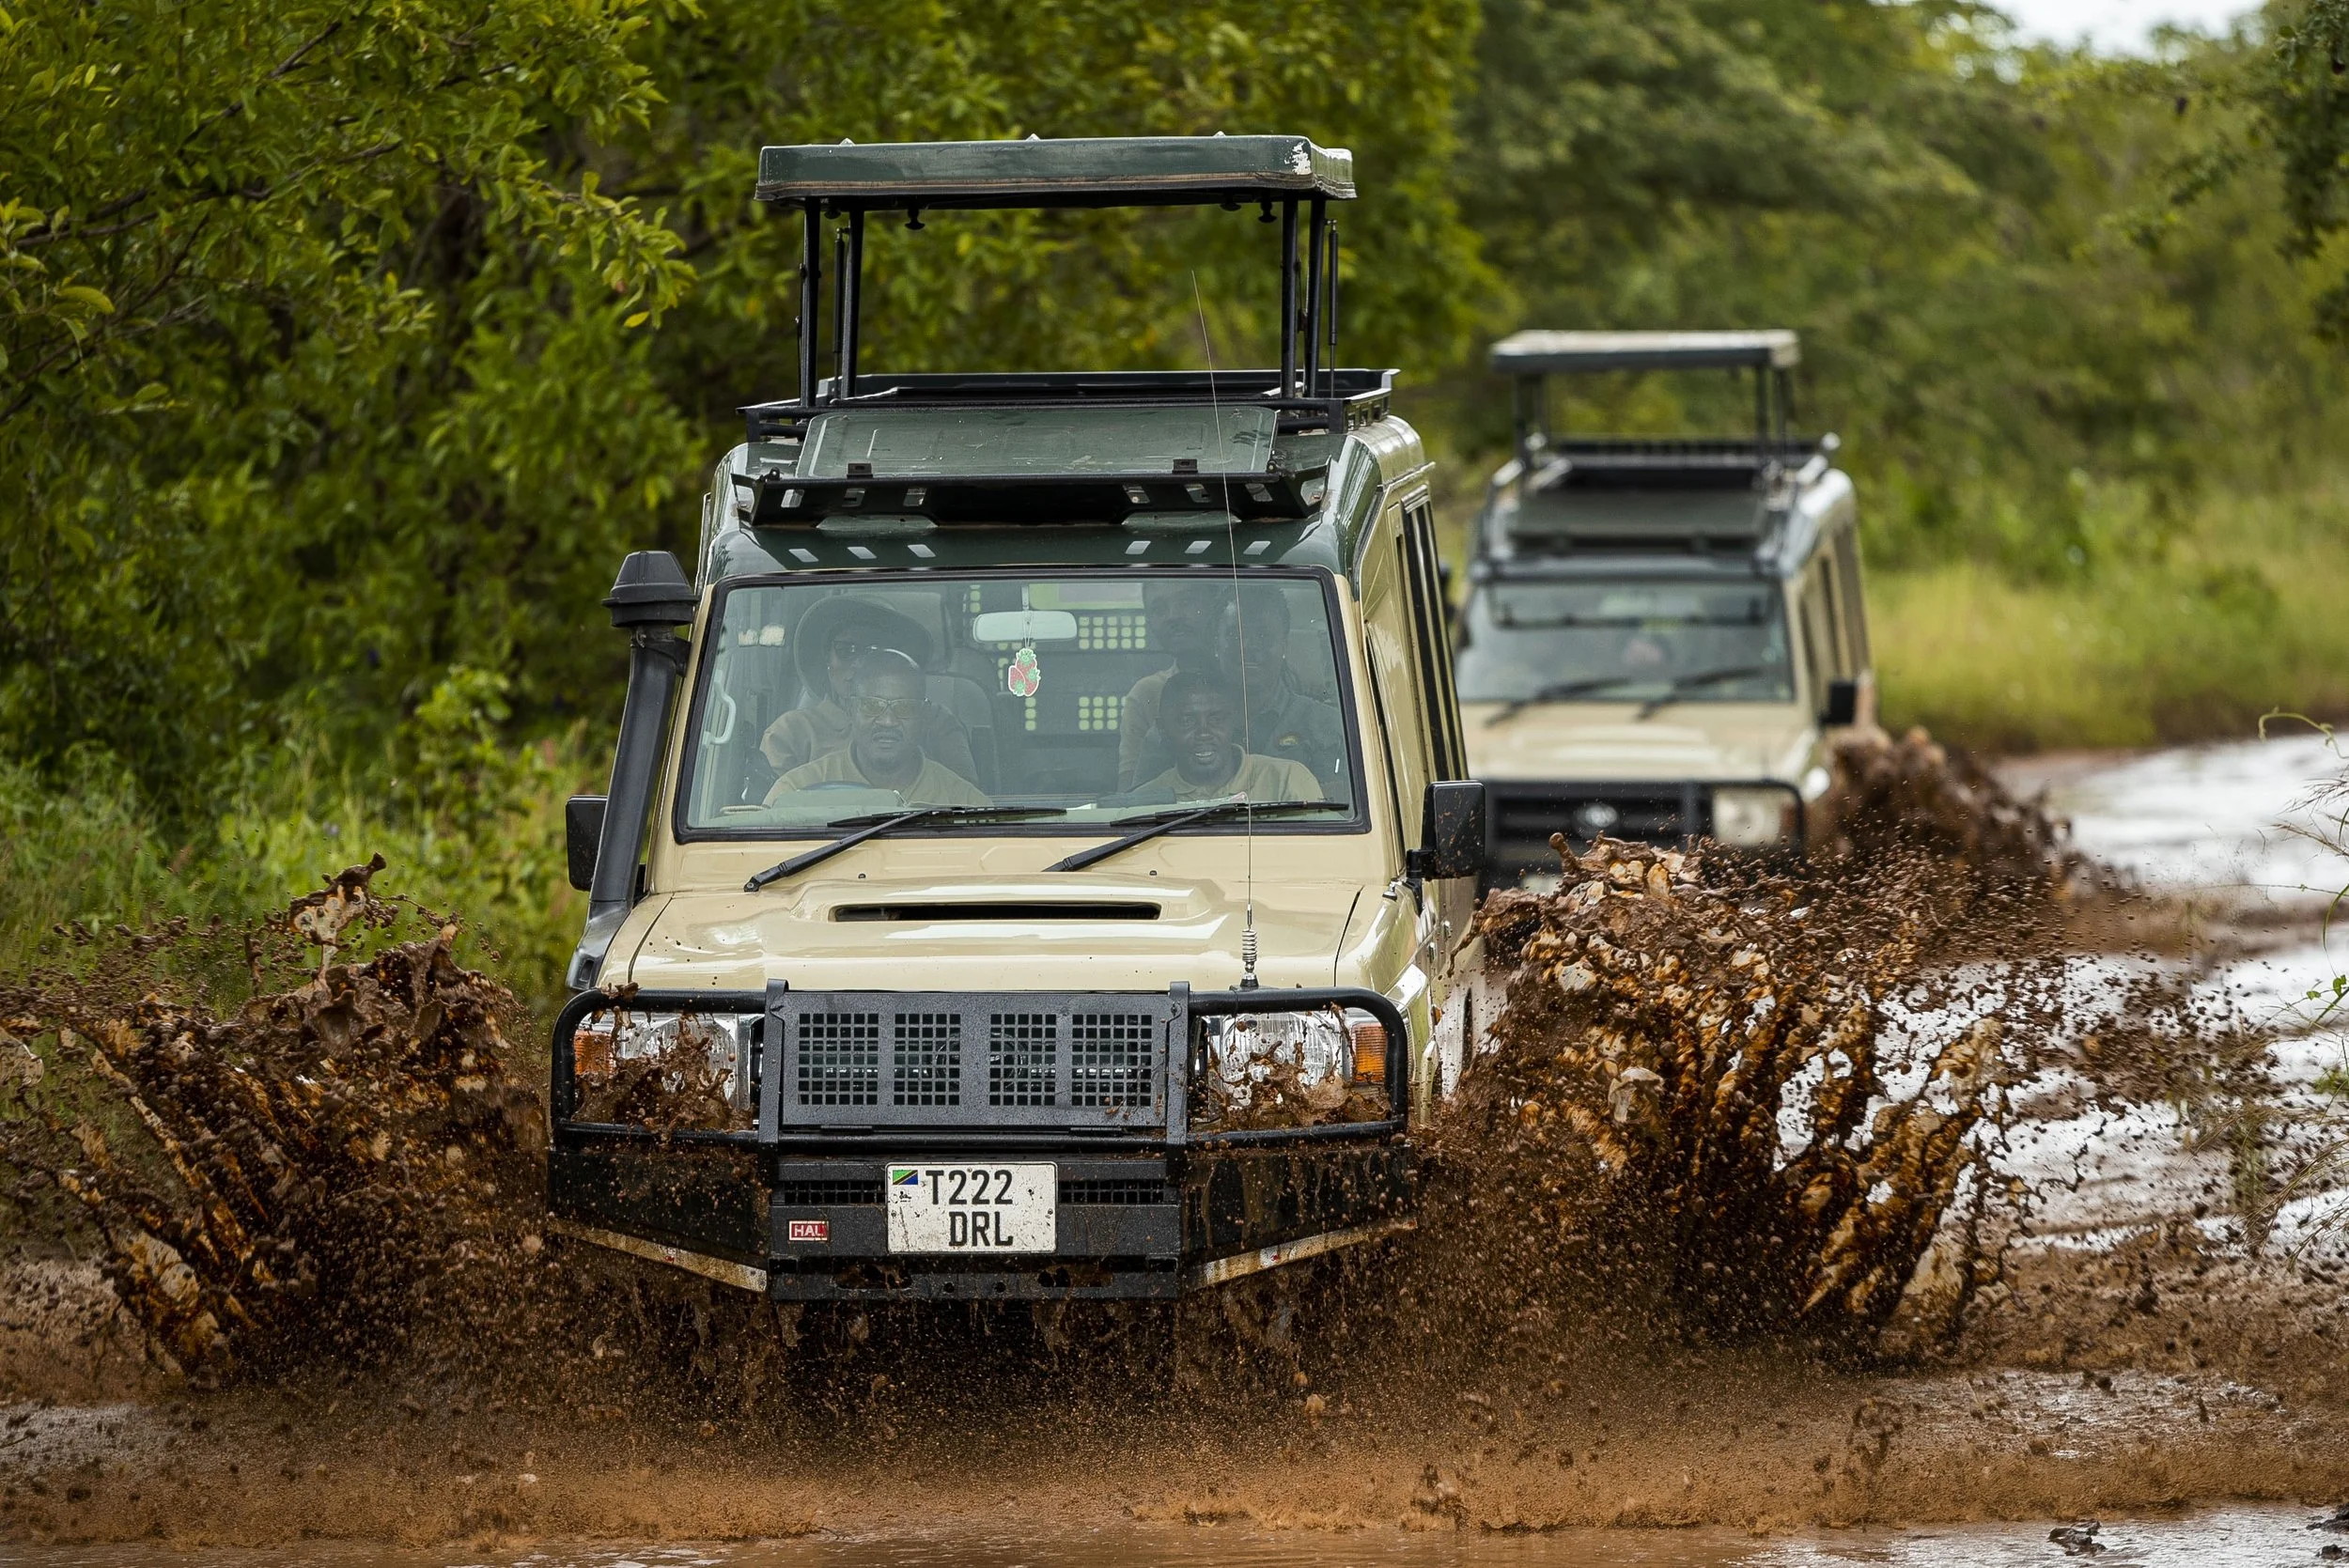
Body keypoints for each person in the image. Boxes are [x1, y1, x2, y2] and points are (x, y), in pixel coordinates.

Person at [760, 595, 977, 784]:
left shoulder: (935, 723)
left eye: (875, 652)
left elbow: (963, 806)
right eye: (847, 650)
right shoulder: (790, 733)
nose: (859, 663)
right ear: (828, 659)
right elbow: (774, 821)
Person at [767, 651, 993, 808]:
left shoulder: (964, 802)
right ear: (850, 709)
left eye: (904, 707)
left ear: (922, 716)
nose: (887, 721)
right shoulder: (795, 791)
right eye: (872, 705)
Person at [1132, 669, 1321, 805]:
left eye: (1216, 719)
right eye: (1187, 721)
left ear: (1234, 723)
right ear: (1163, 729)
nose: (1204, 732)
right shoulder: (1145, 801)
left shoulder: (1286, 780)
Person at [1115, 577, 1226, 791]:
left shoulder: (1248, 683)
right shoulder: (1146, 695)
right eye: (1159, 609)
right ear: (1149, 623)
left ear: (1214, 606)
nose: (1173, 616)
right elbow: (1129, 803)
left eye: (1186, 602)